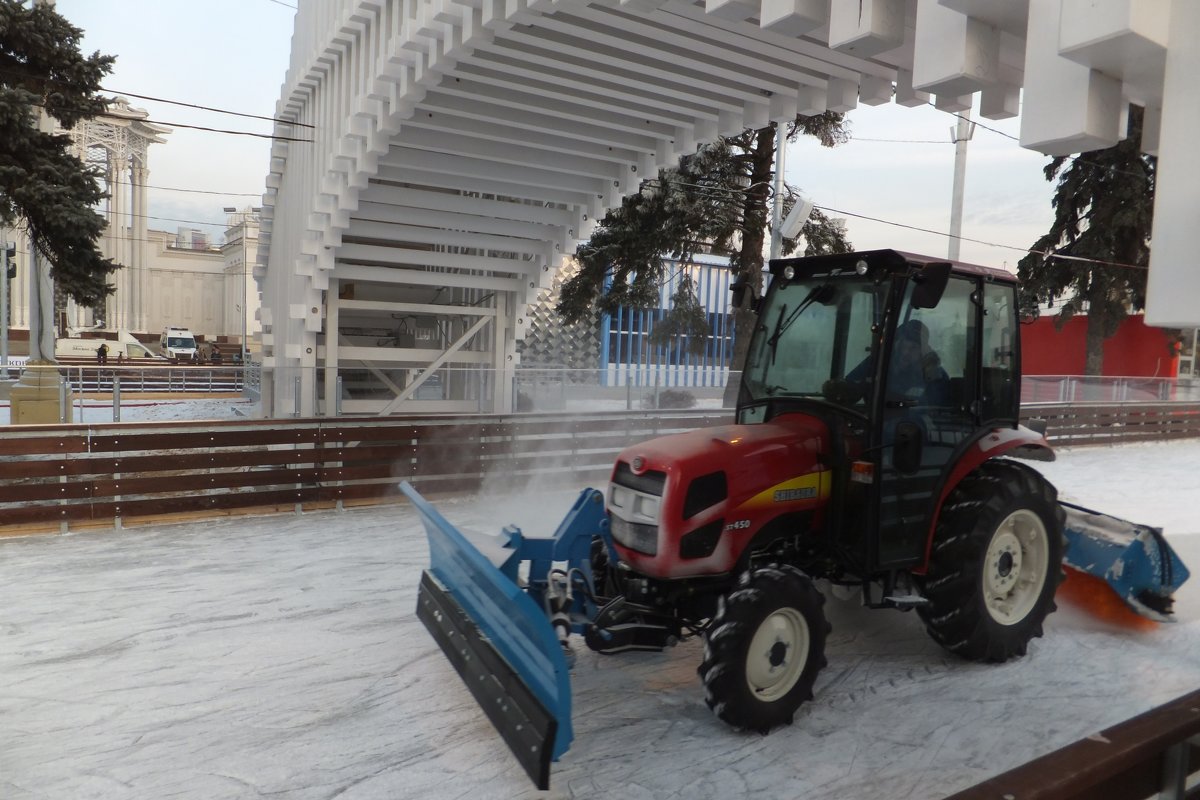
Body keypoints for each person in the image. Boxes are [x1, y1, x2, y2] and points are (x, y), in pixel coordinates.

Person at [824, 319, 949, 405]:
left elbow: (935, 406)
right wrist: (840, 389)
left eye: (913, 348)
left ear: (923, 350)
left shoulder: (932, 374)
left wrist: (930, 367)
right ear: (896, 345)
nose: (906, 352)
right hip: (875, 426)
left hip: (912, 429)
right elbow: (853, 385)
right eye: (903, 346)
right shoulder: (878, 363)